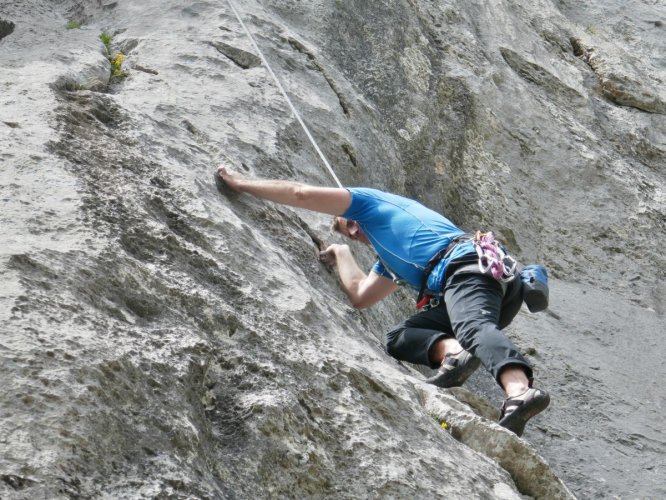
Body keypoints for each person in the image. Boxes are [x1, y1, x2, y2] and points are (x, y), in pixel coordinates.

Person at [215, 166, 550, 437]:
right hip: (489, 286)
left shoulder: (372, 204)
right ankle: (453, 354)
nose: (356, 233)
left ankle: (519, 391)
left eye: (350, 225)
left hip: (465, 266)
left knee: (474, 326)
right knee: (400, 337)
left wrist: (242, 184)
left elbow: (299, 193)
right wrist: (342, 253)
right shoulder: (390, 259)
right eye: (350, 235)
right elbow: (361, 295)